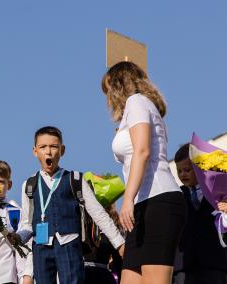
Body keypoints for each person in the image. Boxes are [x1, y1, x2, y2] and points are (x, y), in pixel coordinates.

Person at [101, 61, 187, 284]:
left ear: (118, 85)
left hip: (159, 200)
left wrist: (127, 198)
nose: (107, 98)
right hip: (141, 205)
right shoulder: (135, 110)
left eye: (108, 90)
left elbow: (142, 151)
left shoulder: (137, 102)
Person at [17, 126, 125, 284]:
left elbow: (98, 214)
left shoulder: (75, 180)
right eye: (43, 147)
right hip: (41, 249)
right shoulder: (29, 184)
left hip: (69, 245)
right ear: (35, 151)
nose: (48, 152)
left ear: (62, 150)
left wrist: (119, 243)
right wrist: (18, 237)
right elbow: (27, 224)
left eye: (54, 146)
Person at [173, 143, 227, 284]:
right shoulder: (177, 195)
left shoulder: (217, 192)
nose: (182, 174)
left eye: (187, 170)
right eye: (179, 171)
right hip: (184, 265)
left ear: (198, 168)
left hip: (214, 262)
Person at [84, 204, 124, 284]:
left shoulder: (111, 232)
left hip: (103, 277)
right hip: (81, 275)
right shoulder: (79, 226)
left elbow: (119, 263)